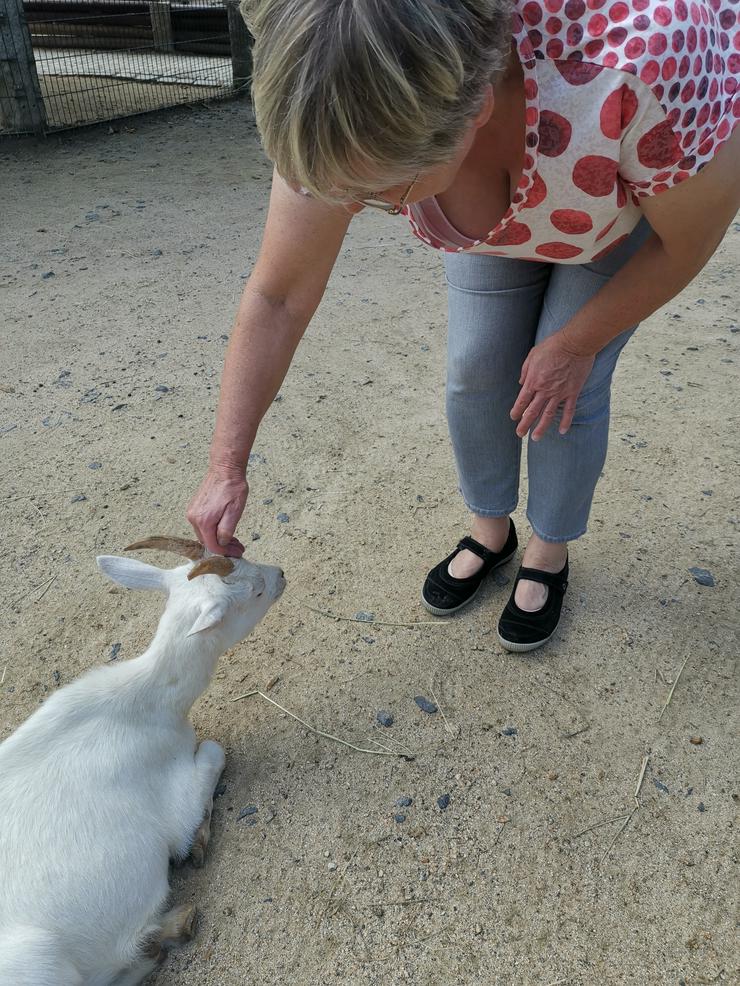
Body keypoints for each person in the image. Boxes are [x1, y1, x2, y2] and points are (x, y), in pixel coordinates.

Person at [187, 0, 739, 653]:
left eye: (376, 194)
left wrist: (576, 342)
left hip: (609, 203)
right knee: (477, 364)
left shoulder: (645, 57)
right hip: (500, 201)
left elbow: (688, 240)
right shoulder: (333, 79)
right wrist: (227, 465)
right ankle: (490, 529)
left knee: (564, 385)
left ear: (474, 111)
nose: (353, 211)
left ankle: (549, 547)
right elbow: (279, 297)